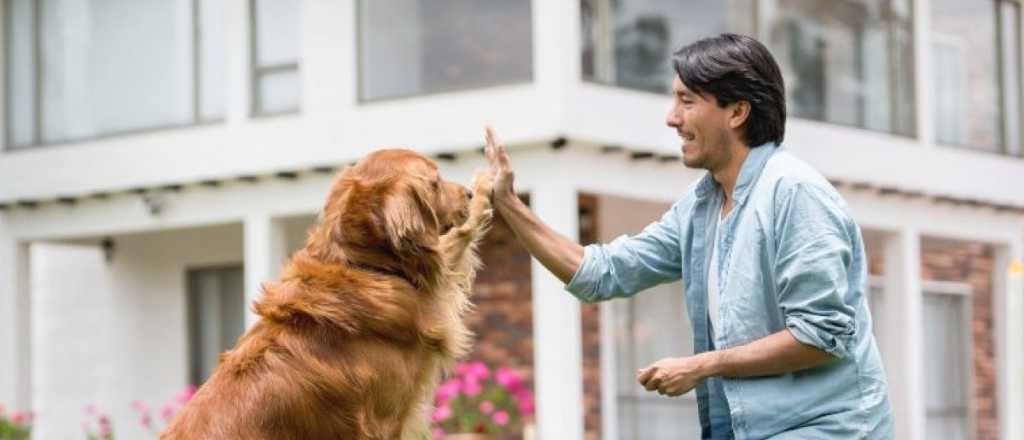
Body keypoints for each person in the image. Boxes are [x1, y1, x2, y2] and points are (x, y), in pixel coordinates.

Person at [483, 33, 892, 439]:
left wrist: (702, 365)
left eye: (687, 100)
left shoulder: (795, 194)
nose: (671, 117)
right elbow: (602, 273)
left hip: (829, 429)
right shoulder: (701, 207)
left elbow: (822, 335)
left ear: (737, 112)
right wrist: (510, 205)